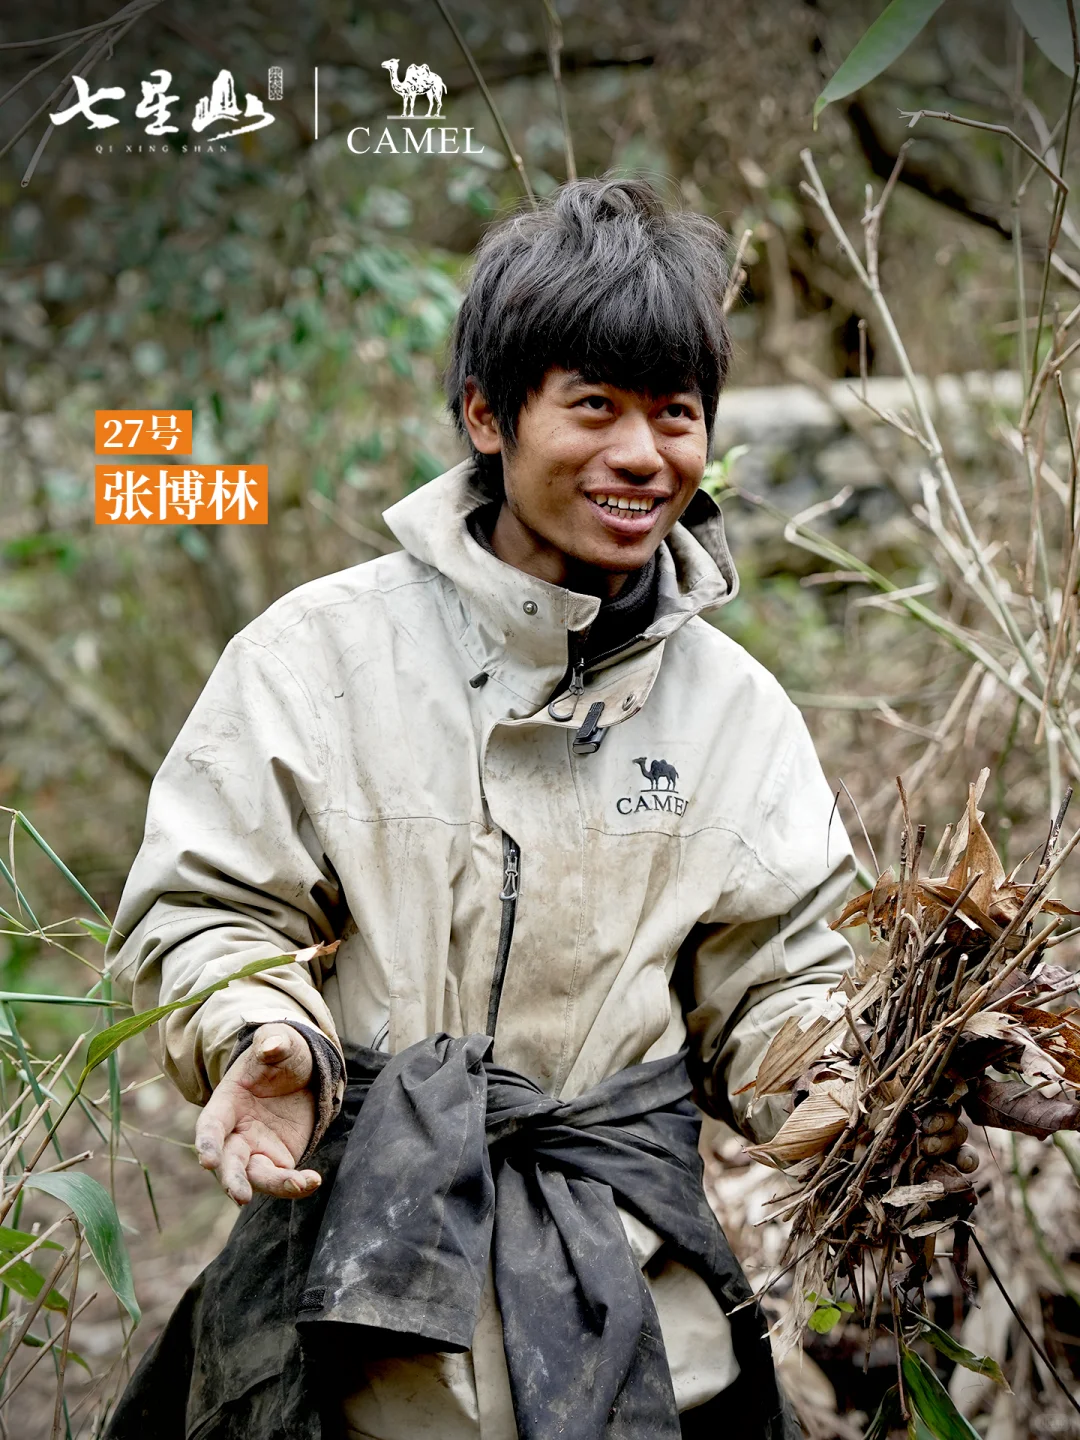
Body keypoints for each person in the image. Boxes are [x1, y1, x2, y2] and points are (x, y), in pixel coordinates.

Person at [104, 177, 857, 1440]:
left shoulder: (739, 713)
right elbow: (206, 904)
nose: (641, 454)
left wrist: (854, 1085)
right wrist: (264, 1039)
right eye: (594, 407)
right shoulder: (317, 656)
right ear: (486, 416)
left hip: (643, 1328)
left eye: (675, 414)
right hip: (356, 1328)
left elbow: (779, 982)